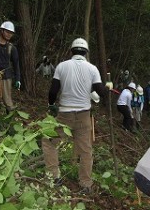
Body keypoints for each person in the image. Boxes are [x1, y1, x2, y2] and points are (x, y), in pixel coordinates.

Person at [41, 38, 112, 194]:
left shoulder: (62, 66)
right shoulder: (92, 69)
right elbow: (100, 93)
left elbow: (53, 91)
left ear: (71, 51)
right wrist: (107, 88)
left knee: (49, 142)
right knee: (86, 150)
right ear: (86, 52)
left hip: (64, 114)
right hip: (83, 116)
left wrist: (51, 105)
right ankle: (85, 184)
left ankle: (53, 177)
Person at [0, 21, 21, 115]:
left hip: (6, 78)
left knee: (8, 102)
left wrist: (18, 79)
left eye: (11, 33)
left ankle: (9, 120)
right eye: (7, 32)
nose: (9, 34)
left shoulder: (12, 48)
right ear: (1, 31)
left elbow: (16, 65)